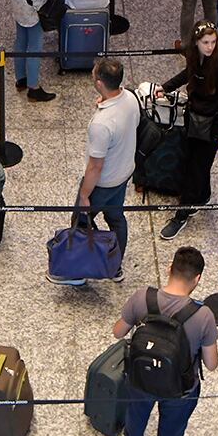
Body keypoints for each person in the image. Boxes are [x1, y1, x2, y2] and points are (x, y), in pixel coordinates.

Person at [113, 246, 218, 436]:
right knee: (172, 427)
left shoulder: (143, 297)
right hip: (179, 388)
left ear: (169, 268)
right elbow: (211, 364)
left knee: (137, 409)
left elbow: (118, 332)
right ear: (198, 278)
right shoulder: (203, 316)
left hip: (141, 377)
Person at [48, 58, 138, 286]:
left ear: (99, 83)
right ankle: (115, 266)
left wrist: (86, 195)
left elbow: (95, 166)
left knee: (80, 221)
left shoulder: (101, 124)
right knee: (116, 218)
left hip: (103, 182)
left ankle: (77, 272)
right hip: (124, 172)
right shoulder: (129, 97)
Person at [155, 21, 218, 240]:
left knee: (197, 166)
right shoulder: (195, 56)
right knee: (194, 161)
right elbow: (188, 74)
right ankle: (201, 197)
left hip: (214, 122)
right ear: (196, 42)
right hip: (195, 115)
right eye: (205, 43)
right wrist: (165, 87)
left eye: (213, 42)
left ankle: (182, 214)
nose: (210, 47)